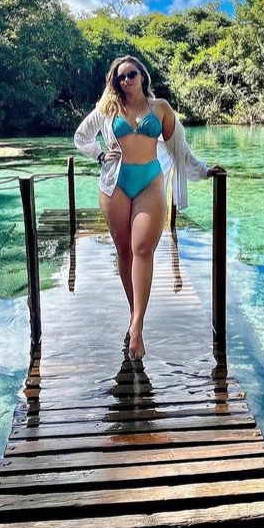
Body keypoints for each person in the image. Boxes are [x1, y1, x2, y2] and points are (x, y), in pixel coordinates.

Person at [74, 55, 224, 361]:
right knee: (125, 251)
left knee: (142, 249)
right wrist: (100, 155)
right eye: (119, 78)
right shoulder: (108, 108)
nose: (125, 81)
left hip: (149, 181)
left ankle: (138, 327)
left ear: (143, 75)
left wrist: (204, 170)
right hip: (114, 184)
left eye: (130, 75)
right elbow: (81, 136)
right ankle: (134, 313)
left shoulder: (161, 109)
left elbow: (179, 147)